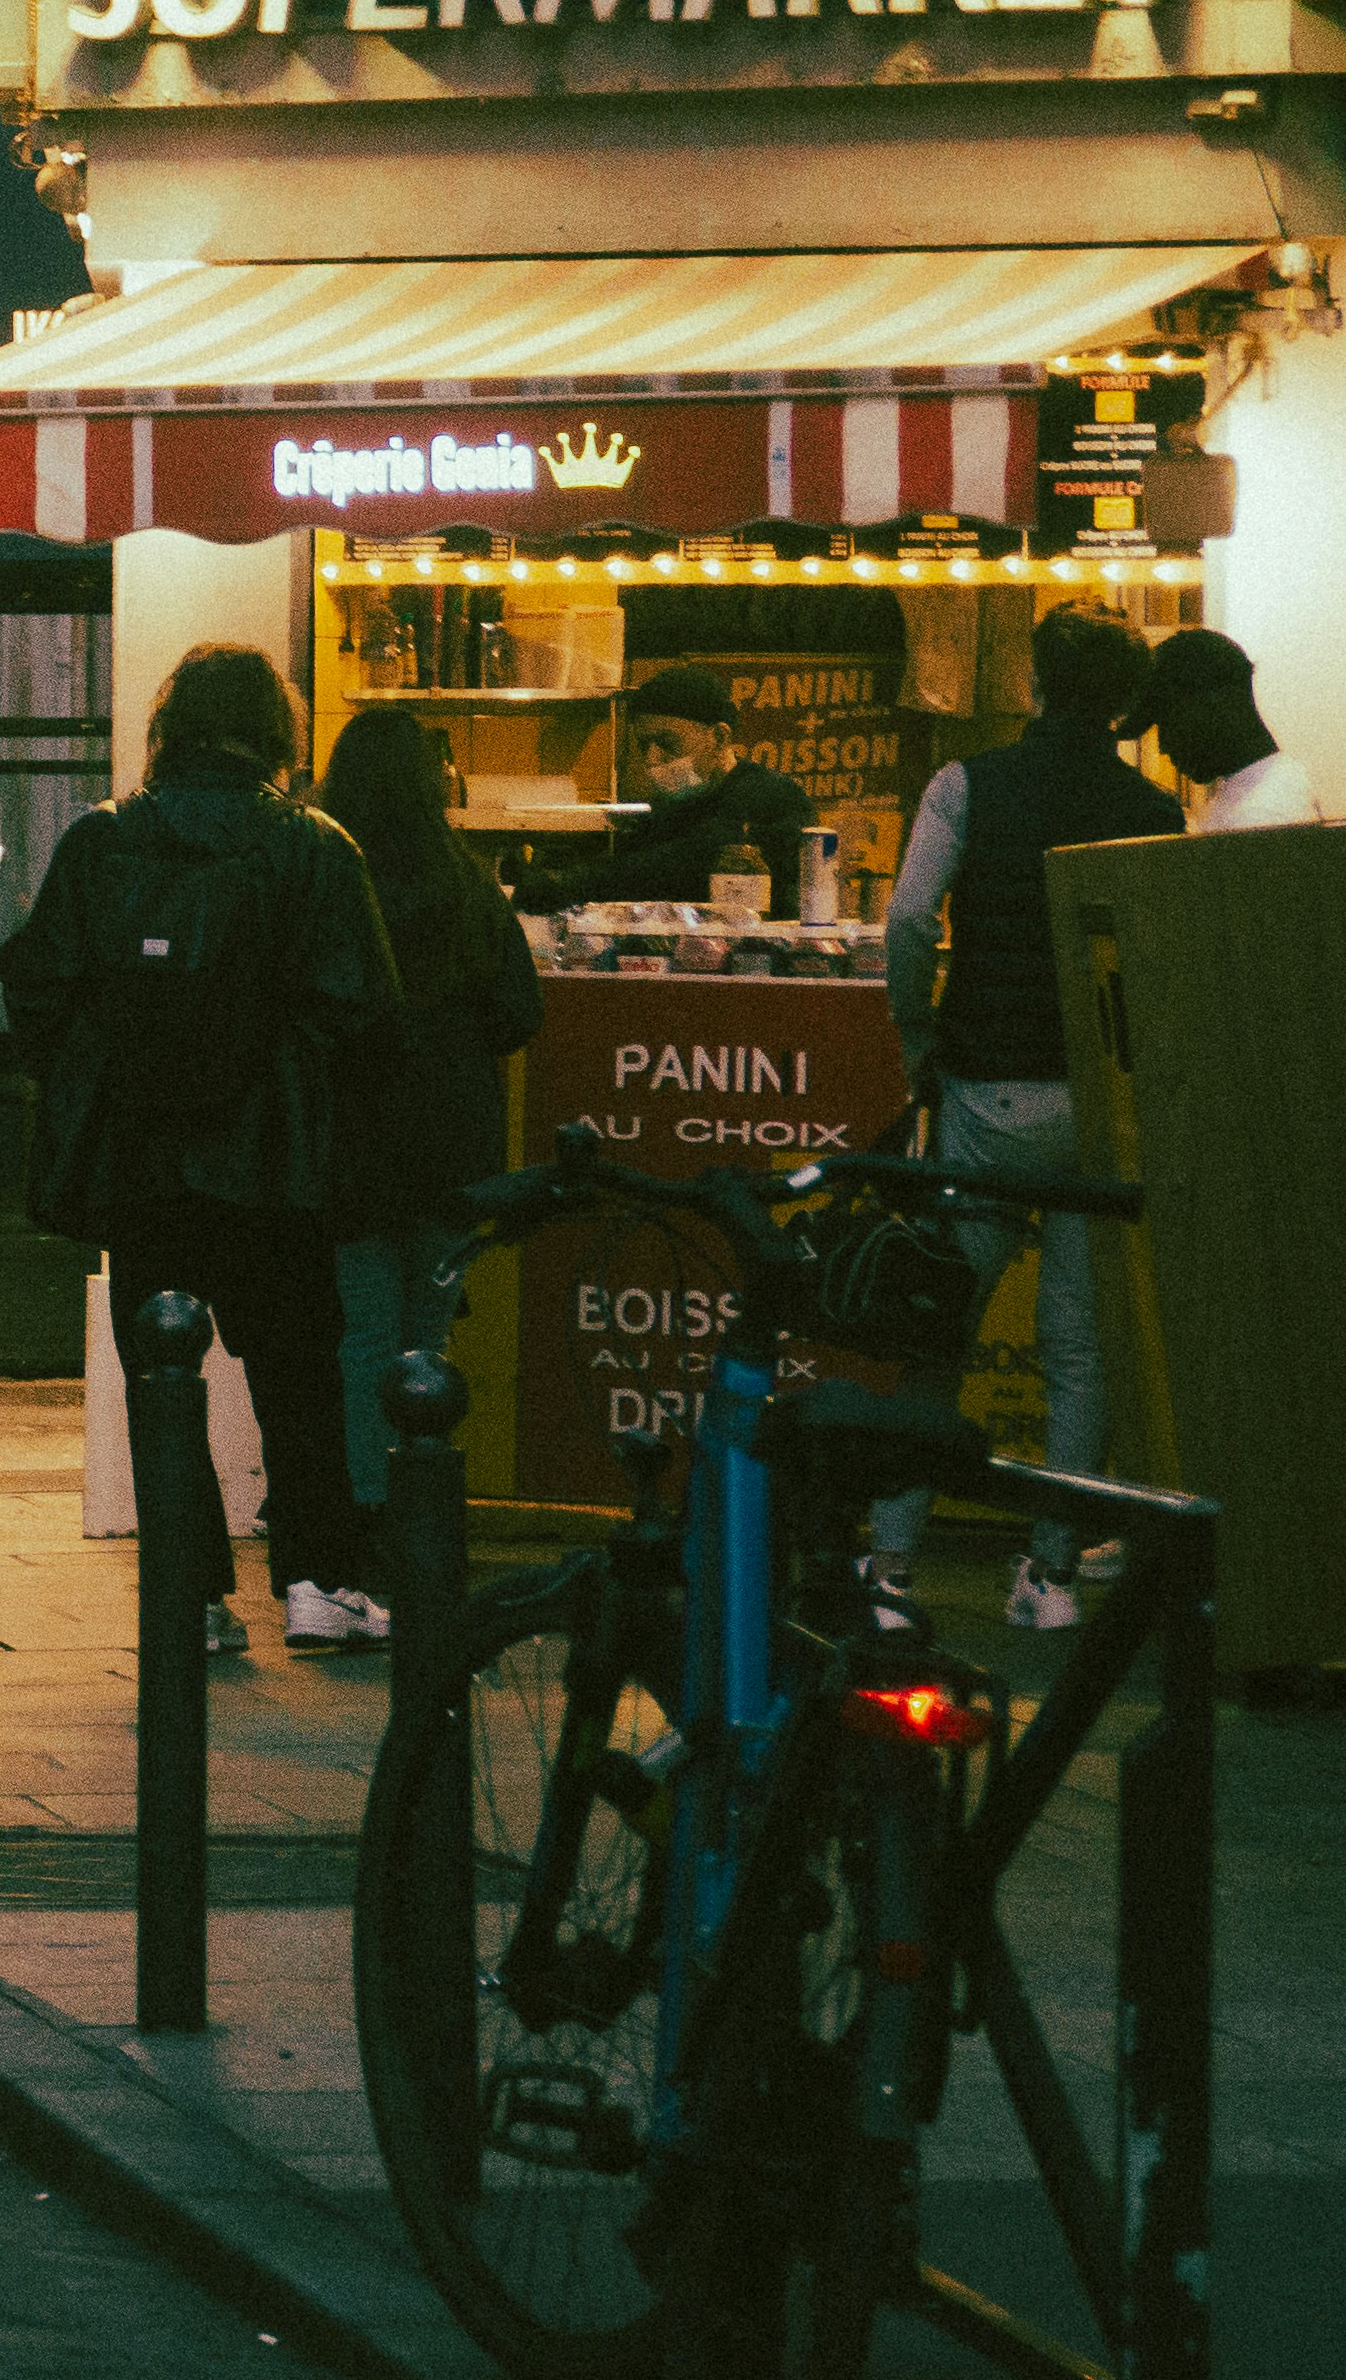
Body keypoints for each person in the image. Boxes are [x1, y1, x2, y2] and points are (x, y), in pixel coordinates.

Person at [0, 644, 400, 1656]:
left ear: (168, 724)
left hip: (141, 1166)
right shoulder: (317, 847)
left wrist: (115, 1065)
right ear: (276, 730)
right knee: (299, 1377)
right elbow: (364, 1012)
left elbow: (37, 986)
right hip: (276, 1168)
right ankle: (318, 1583)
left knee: (162, 1381)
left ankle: (193, 1598)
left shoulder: (99, 843)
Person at [882, 600, 1181, 1626]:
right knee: (1081, 1352)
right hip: (1100, 1103)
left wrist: (918, 1032)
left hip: (988, 1092)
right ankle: (1049, 1576)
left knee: (942, 1332)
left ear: (1034, 682)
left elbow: (910, 916)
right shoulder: (1153, 808)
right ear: (1122, 701)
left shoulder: (969, 783)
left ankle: (889, 1573)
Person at [315, 710, 540, 1628]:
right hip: (451, 1144)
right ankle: (422, 1523)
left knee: (360, 1338)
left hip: (352, 1143)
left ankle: (365, 1531)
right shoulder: (466, 886)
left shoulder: (326, 875)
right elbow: (516, 1015)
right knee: (424, 1341)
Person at [518, 667, 817, 913]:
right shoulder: (669, 809)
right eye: (644, 745)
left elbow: (686, 859)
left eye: (667, 743)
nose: (652, 759)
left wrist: (573, 883)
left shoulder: (770, 796)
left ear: (718, 737)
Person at [1138, 628, 1319, 830]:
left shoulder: (1259, 818)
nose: (1163, 746)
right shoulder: (1269, 784)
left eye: (1167, 724)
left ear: (1210, 706)